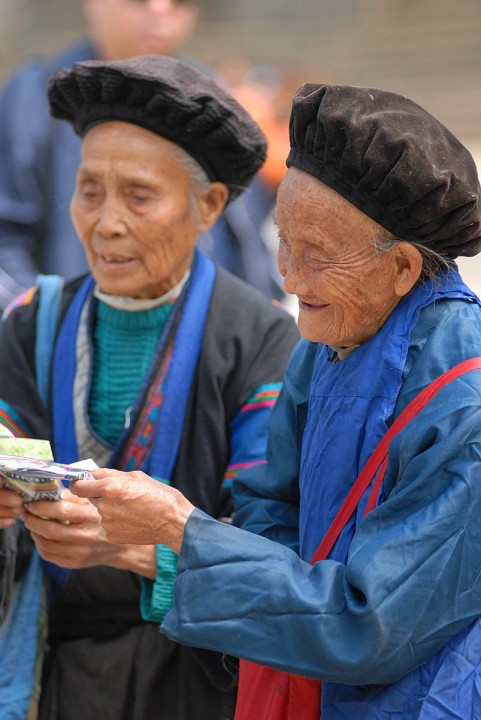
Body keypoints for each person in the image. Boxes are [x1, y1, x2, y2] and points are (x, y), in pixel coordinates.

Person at [71, 83, 481, 720]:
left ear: (402, 268)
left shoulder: (465, 409)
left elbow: (369, 625)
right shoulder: (328, 335)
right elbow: (269, 504)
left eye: (317, 256)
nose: (288, 276)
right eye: (282, 240)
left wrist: (183, 531)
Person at [0, 55, 300, 720]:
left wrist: (136, 550)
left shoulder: (261, 344)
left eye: (138, 196)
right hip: (56, 680)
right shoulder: (32, 324)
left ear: (208, 206)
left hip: (199, 681)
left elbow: (273, 550)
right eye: (88, 191)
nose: (106, 223)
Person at [0, 0, 284, 308]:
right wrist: (47, 321)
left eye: (180, 1)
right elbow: (6, 242)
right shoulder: (36, 97)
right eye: (138, 0)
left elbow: (247, 241)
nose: (160, 10)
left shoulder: (214, 100)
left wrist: (258, 318)